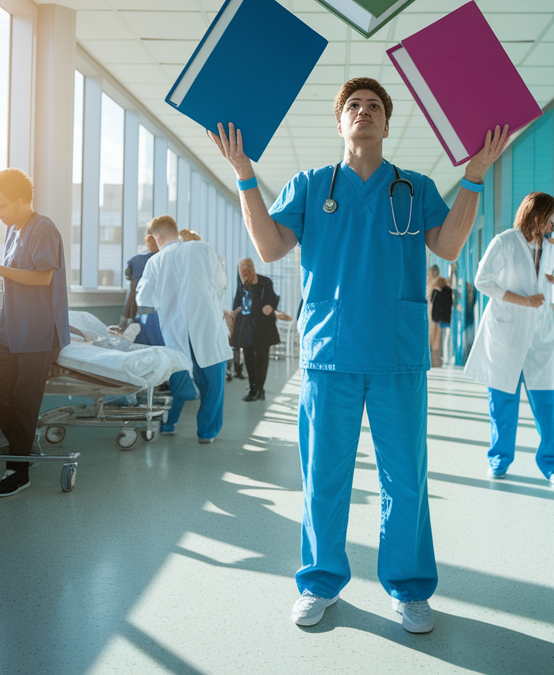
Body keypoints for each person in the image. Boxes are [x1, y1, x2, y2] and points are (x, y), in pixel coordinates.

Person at [209, 77, 510, 634]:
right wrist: (244, 174)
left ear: (387, 124)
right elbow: (271, 247)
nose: (364, 112)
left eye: (375, 106)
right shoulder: (311, 184)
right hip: (331, 353)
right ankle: (320, 582)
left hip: (398, 355)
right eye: (354, 106)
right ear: (341, 122)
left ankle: (410, 589)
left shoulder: (413, 187)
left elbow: (446, 246)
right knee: (324, 477)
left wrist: (474, 175)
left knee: (406, 479)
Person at [0, 168, 69, 499]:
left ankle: (18, 472)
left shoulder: (43, 228)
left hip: (38, 331)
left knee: (23, 402)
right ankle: (25, 447)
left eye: (2, 206)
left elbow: (42, 278)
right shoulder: (13, 231)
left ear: (22, 200)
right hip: (10, 328)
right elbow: (17, 275)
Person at [463, 192, 554, 487]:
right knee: (503, 403)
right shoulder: (505, 242)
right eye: (552, 219)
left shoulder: (551, 247)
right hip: (506, 330)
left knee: (546, 403)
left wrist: (550, 283)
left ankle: (551, 464)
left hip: (541, 333)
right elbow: (483, 281)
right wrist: (522, 300)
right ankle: (499, 460)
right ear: (538, 215)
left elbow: (547, 283)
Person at [136, 215, 232, 443]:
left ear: (158, 237)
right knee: (213, 384)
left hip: (175, 332)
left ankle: (169, 424)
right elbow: (220, 283)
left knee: (180, 380)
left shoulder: (154, 262)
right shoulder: (201, 248)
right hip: (206, 326)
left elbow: (144, 299)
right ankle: (206, 433)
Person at [232, 257, 280, 402]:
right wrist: (232, 318)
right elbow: (237, 302)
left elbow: (273, 299)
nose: (243, 274)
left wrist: (270, 307)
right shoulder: (242, 284)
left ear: (251, 269)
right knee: (248, 358)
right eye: (241, 271)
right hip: (246, 327)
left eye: (246, 271)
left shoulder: (265, 282)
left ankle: (258, 389)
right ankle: (253, 387)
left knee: (261, 358)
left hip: (262, 328)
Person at [124, 219, 163, 346]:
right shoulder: (170, 259)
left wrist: (126, 321)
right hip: (157, 318)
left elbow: (132, 295)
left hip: (141, 317)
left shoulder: (137, 261)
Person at [427, 265, 454, 367]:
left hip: (435, 316)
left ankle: (436, 359)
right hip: (437, 316)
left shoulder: (435, 285)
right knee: (437, 338)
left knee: (435, 338)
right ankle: (436, 359)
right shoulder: (440, 284)